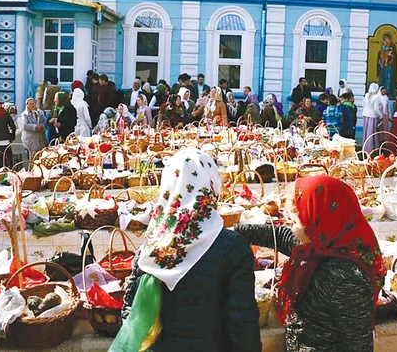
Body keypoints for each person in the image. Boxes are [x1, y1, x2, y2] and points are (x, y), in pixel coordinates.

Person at [113, 148, 260, 352]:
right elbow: (242, 323)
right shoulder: (232, 247)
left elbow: (132, 315)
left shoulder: (151, 247)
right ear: (212, 186)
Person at [234, 176, 383, 351]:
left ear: (318, 222)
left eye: (296, 221)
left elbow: (358, 346)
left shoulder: (347, 280)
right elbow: (281, 236)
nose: (291, 226)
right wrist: (231, 233)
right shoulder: (318, 247)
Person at [362, 83, 381, 153]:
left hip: (365, 115)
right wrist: (380, 115)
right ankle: (371, 148)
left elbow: (363, 104)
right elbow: (376, 109)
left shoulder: (367, 95)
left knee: (366, 132)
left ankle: (365, 148)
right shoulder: (376, 97)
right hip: (372, 116)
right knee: (372, 133)